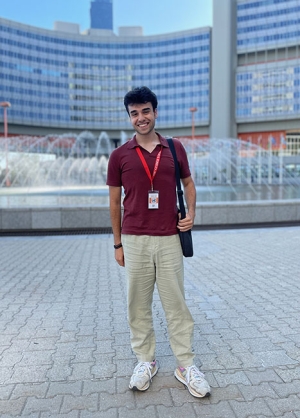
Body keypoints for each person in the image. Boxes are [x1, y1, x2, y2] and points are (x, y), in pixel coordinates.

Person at [106, 86, 211, 398]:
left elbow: (189, 185)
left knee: (176, 304)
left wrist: (191, 213)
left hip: (168, 240)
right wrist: (117, 244)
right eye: (135, 113)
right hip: (134, 239)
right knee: (137, 305)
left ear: (155, 111)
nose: (141, 118)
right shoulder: (119, 155)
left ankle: (185, 365)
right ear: (129, 117)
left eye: (146, 111)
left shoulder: (175, 148)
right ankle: (145, 361)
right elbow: (114, 203)